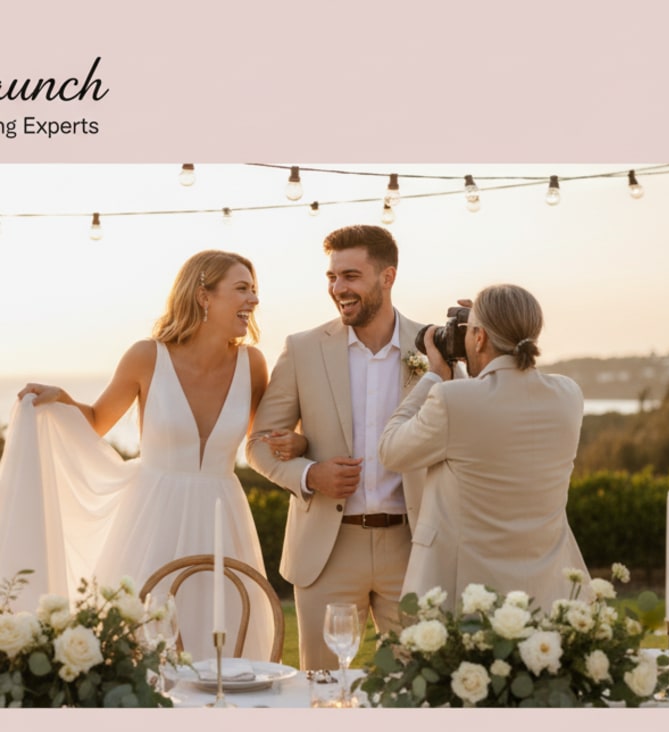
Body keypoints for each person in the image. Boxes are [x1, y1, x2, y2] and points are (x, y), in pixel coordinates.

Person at [2, 250, 300, 660]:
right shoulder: (147, 356)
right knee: (140, 642)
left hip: (223, 517)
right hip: (152, 516)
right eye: (242, 288)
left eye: (254, 290)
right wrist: (62, 401)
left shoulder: (252, 363)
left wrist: (298, 444)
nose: (253, 299)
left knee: (226, 643)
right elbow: (97, 422)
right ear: (204, 296)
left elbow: (262, 439)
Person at [247, 225, 428, 670]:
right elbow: (258, 444)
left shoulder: (433, 345)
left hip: (414, 545)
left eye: (350, 276)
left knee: (422, 687)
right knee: (322, 689)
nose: (337, 288)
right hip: (327, 551)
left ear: (387, 277)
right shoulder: (303, 348)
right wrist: (311, 475)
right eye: (332, 277)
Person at [377, 283, 590, 610]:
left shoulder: (452, 400)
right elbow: (497, 406)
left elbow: (391, 450)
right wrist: (489, 319)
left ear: (479, 338)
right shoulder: (568, 396)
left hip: (467, 596)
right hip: (549, 590)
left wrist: (434, 375)